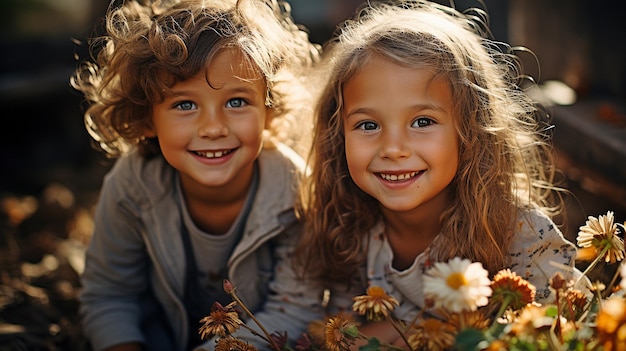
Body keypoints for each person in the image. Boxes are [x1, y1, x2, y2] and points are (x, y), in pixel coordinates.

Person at [295, 0, 581, 344]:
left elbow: (564, 326)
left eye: (423, 121)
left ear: (471, 131)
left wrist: (422, 334)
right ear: (337, 134)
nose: (393, 148)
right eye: (368, 125)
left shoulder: (516, 232)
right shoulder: (349, 226)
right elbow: (345, 333)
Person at [70, 0, 323, 350]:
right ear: (147, 119)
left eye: (236, 102)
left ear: (269, 109)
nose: (214, 128)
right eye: (185, 105)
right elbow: (109, 295)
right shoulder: (133, 184)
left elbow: (294, 309)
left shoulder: (295, 189)